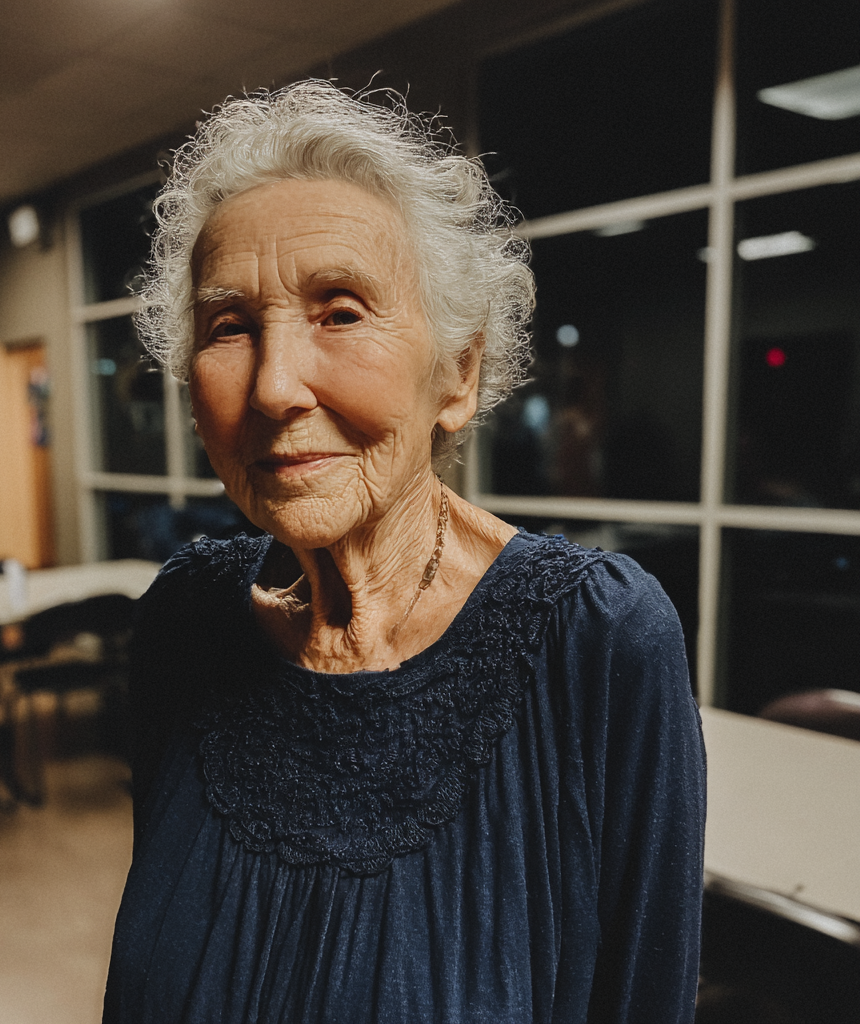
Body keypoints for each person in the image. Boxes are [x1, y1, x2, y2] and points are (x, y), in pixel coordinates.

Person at [103, 81, 705, 1024]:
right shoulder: (184, 620)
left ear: (456, 373)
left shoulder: (598, 638)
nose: (273, 387)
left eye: (340, 312)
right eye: (229, 328)